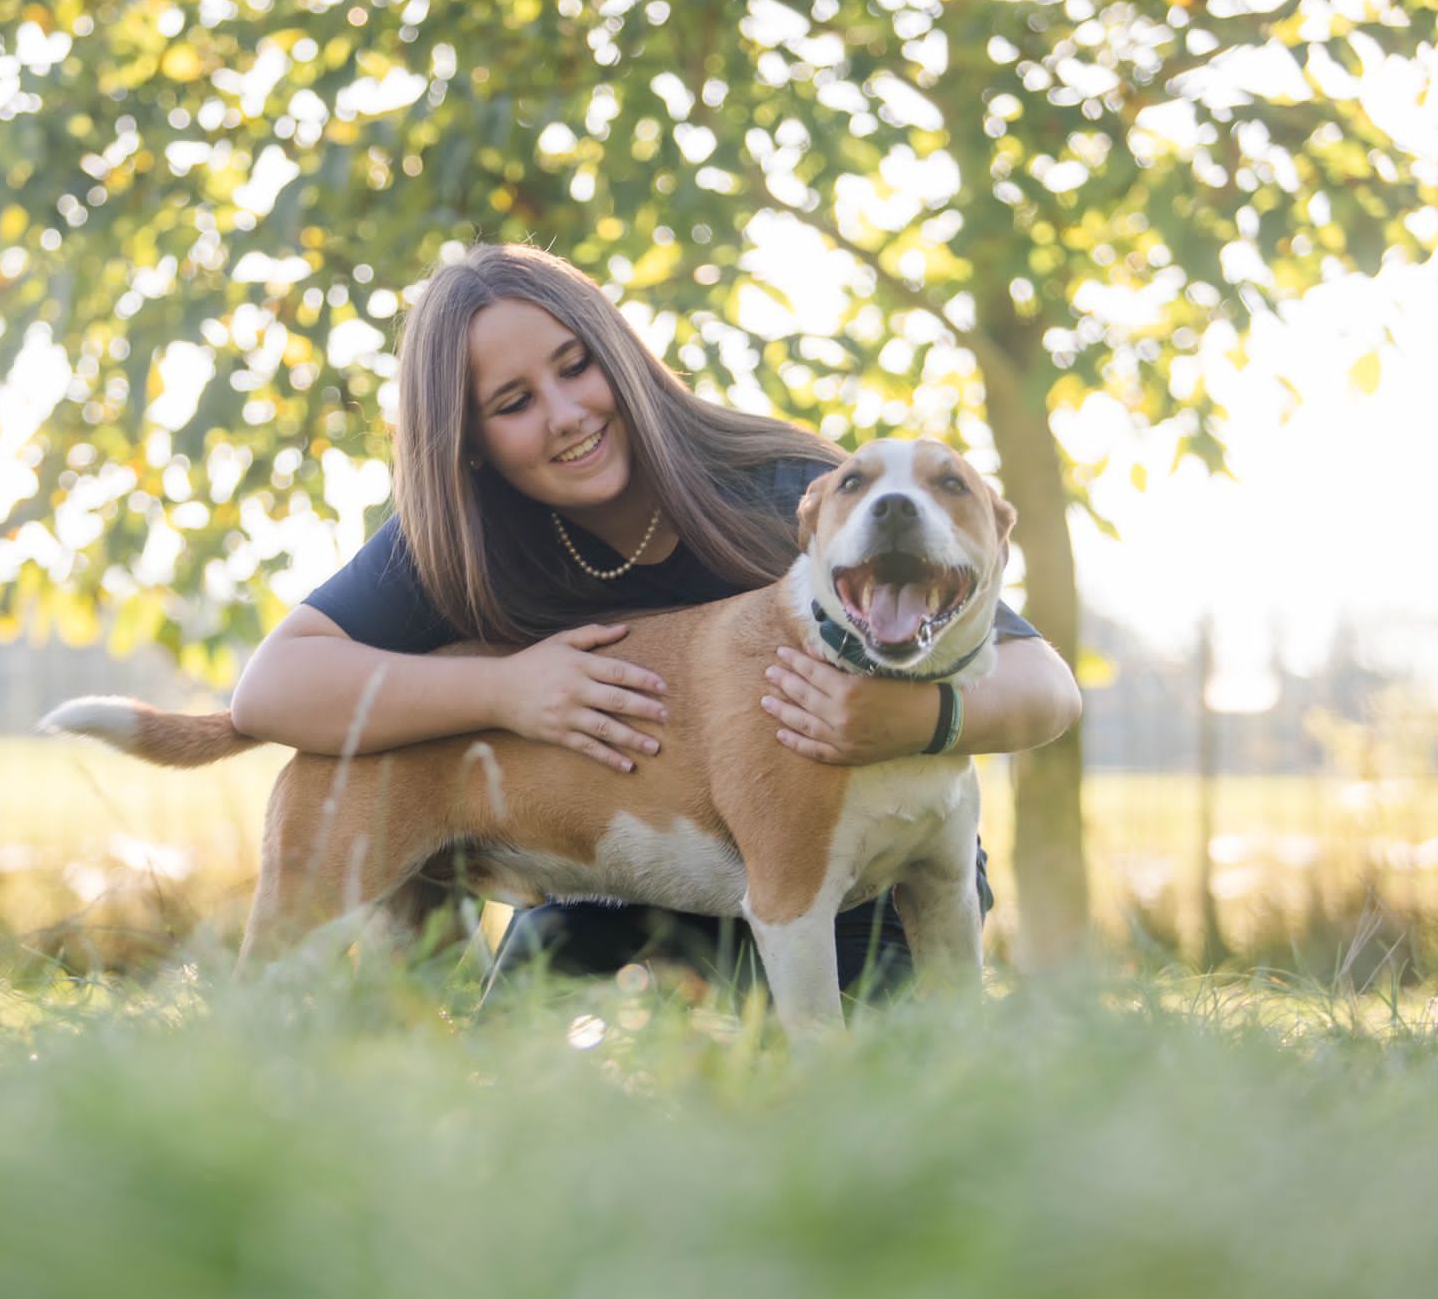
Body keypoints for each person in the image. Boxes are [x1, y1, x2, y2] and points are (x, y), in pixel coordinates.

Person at [230, 243, 1082, 998]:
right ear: (471, 441)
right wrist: (506, 689)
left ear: (620, 354)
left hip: (858, 890)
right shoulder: (458, 536)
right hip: (611, 889)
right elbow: (269, 692)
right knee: (517, 1093)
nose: (566, 413)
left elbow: (1044, 684)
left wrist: (907, 716)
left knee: (877, 1091)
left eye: (576, 365)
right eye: (514, 401)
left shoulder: (788, 486)